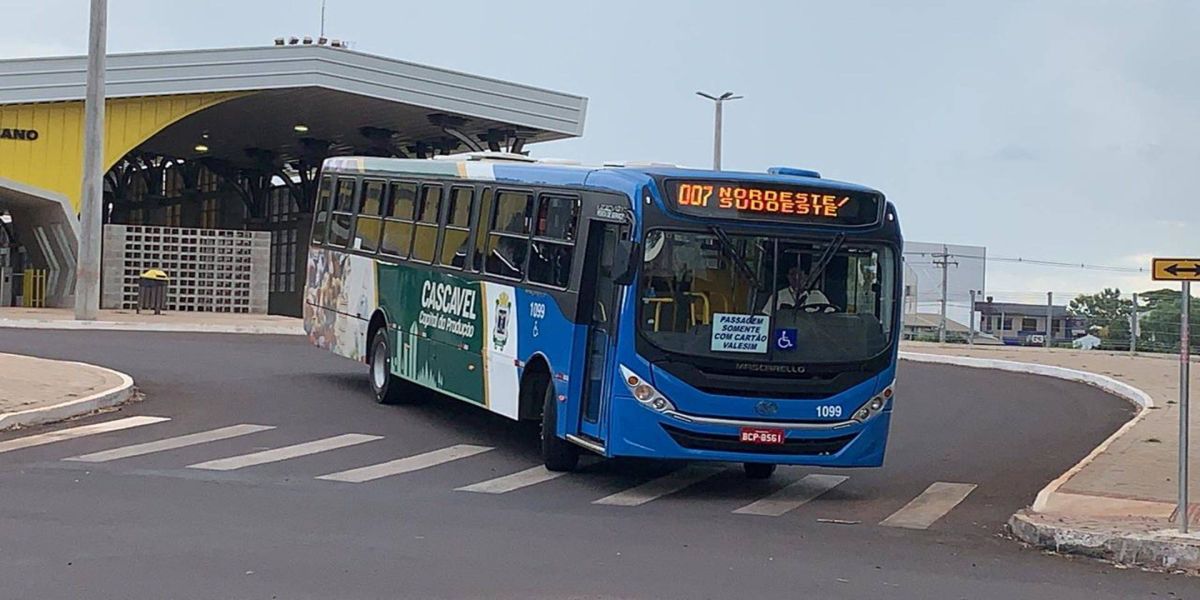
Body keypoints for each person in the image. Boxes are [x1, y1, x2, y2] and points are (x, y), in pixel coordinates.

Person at [761, 265, 832, 315]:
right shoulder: (778, 296)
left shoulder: (818, 296)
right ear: (788, 277)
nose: (796, 278)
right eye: (792, 274)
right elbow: (767, 317)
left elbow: (831, 317)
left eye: (800, 275)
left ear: (806, 277)